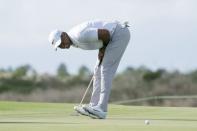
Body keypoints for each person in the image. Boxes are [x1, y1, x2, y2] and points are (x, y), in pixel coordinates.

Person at [48, 20, 130, 119]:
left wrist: (102, 50)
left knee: (105, 69)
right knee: (97, 70)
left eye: (61, 42)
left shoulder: (79, 35)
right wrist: (102, 50)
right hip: (111, 37)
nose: (63, 46)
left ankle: (102, 109)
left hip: (118, 34)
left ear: (64, 34)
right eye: (59, 46)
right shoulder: (72, 41)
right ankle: (94, 105)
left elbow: (105, 34)